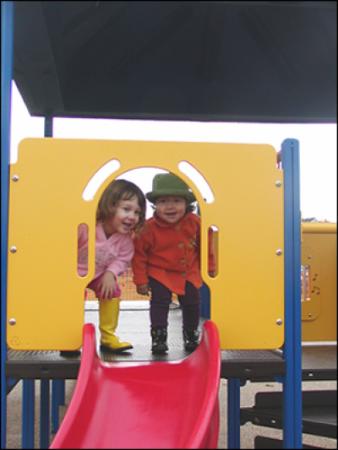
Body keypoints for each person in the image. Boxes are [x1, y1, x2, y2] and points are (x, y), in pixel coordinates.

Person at [132, 173, 215, 355]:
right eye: (163, 201)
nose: (170, 206)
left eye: (176, 201)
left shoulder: (195, 222)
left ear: (186, 204)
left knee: (192, 302)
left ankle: (191, 334)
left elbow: (206, 247)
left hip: (188, 271)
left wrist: (210, 269)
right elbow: (139, 256)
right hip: (159, 272)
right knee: (160, 302)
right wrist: (141, 281)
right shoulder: (148, 228)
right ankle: (159, 337)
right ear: (156, 205)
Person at [66, 179, 146, 356]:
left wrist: (110, 273)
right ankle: (68, 338)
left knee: (113, 291)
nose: (132, 216)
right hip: (74, 274)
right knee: (72, 297)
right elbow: (68, 247)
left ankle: (108, 337)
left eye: (137, 212)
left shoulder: (125, 240)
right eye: (126, 209)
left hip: (99, 274)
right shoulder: (87, 228)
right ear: (109, 206)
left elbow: (123, 259)